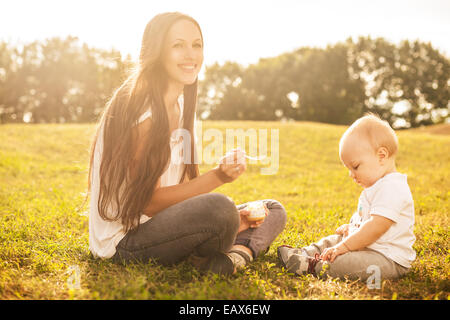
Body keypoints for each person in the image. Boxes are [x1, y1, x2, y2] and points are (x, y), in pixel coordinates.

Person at [87, 12, 287, 275]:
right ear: (157, 51)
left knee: (272, 210)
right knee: (220, 210)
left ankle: (236, 256)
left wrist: (205, 213)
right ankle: (223, 250)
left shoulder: (181, 106)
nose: (191, 55)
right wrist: (219, 177)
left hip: (159, 224)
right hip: (125, 243)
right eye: (178, 45)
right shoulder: (142, 110)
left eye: (196, 45)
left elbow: (179, 189)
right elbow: (147, 203)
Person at [278, 114, 415, 281]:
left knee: (345, 262)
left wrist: (345, 246)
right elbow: (366, 221)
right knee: (333, 241)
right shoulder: (376, 186)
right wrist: (353, 228)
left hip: (387, 259)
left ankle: (310, 265)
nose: (351, 174)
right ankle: (304, 253)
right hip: (367, 248)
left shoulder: (393, 187)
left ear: (381, 156)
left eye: (355, 166)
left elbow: (376, 226)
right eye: (348, 168)